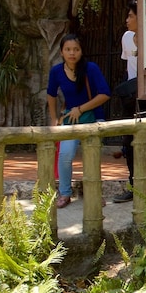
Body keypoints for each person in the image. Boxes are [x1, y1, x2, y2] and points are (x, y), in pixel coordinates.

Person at [47, 33, 111, 209]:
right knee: (65, 154)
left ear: (81, 51)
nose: (72, 53)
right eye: (68, 49)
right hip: (70, 119)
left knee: (92, 155)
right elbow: (51, 94)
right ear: (61, 52)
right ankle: (65, 192)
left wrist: (81, 109)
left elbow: (105, 94)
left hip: (92, 116)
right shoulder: (56, 71)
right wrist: (54, 118)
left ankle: (95, 193)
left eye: (76, 49)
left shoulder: (91, 68)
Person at [113, 0, 146, 202]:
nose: (127, 20)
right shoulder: (127, 38)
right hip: (131, 96)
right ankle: (134, 186)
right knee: (129, 142)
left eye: (131, 16)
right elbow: (130, 68)